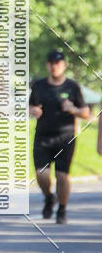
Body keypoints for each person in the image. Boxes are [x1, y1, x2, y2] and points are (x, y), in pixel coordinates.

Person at [29, 48, 89, 224]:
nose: (54, 66)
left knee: (62, 176)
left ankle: (62, 209)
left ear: (63, 65)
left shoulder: (72, 87)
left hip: (65, 138)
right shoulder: (39, 85)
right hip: (43, 137)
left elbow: (86, 112)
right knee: (41, 174)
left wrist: (73, 109)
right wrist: (33, 110)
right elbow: (31, 105)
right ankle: (49, 197)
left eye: (58, 63)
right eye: (52, 63)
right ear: (48, 66)